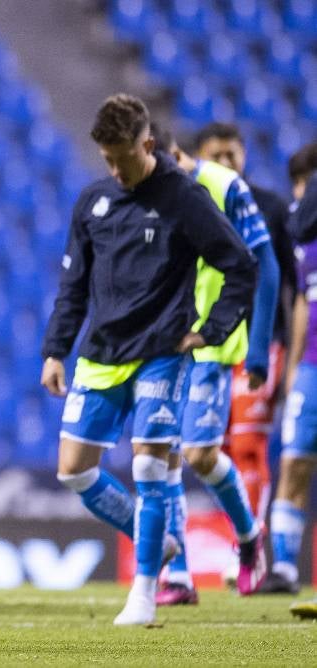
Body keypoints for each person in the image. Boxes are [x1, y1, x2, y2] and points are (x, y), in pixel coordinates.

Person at [40, 94, 257, 625]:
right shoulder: (93, 200)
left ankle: (143, 593)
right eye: (107, 160)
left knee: (149, 465)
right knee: (73, 471)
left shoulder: (184, 197)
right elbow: (73, 285)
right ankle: (151, 536)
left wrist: (211, 331)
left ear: (149, 145)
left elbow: (240, 264)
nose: (115, 170)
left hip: (163, 351)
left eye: (123, 158)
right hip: (102, 352)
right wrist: (55, 350)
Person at [149, 125, 278, 604]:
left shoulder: (223, 186)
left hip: (211, 341)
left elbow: (264, 265)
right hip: (161, 342)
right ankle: (177, 573)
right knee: (158, 455)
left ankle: (248, 537)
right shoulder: (141, 191)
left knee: (200, 455)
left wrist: (260, 348)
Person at [194, 123, 298, 555]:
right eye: (215, 156)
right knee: (211, 449)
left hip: (260, 342)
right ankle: (242, 534)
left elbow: (294, 289)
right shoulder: (190, 205)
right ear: (200, 158)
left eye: (231, 155)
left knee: (249, 445)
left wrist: (288, 356)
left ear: (244, 156)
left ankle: (249, 544)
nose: (224, 164)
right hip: (209, 344)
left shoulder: (271, 208)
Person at [266, 146, 317, 602]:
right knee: (294, 462)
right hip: (312, 371)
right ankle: (282, 569)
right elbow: (302, 302)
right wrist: (294, 367)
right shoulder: (306, 246)